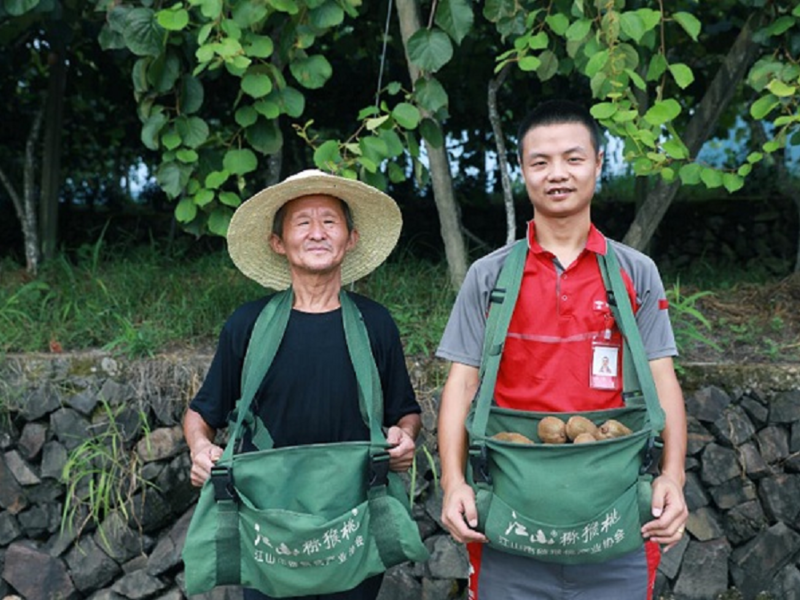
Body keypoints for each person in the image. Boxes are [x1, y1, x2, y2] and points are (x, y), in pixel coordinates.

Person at [436, 100, 688, 599]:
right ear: (522, 173)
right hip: (512, 517)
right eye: (540, 162)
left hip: (615, 521)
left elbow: (663, 380)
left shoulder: (634, 273)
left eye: (573, 159)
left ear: (599, 163)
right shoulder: (489, 278)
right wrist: (452, 484)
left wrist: (674, 478)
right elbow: (461, 384)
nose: (557, 174)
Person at [183, 169, 422, 600]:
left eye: (330, 222)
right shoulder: (247, 326)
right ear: (278, 242)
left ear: (350, 238)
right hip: (267, 528)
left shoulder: (375, 324)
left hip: (353, 522)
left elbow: (404, 411)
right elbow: (202, 414)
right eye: (302, 222)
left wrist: (404, 438)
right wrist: (201, 448)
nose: (317, 233)